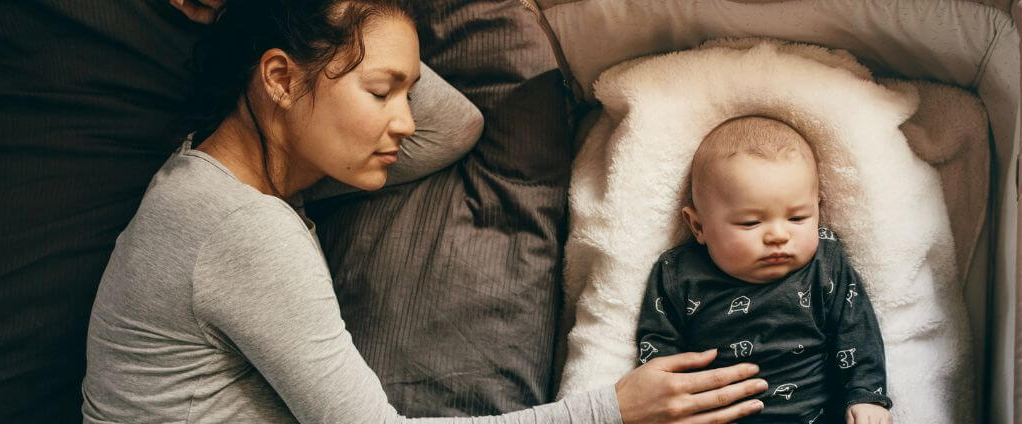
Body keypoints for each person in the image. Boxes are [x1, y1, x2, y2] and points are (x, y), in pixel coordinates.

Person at [81, 1, 768, 422]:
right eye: (383, 92)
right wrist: (610, 410)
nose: (406, 120)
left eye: (406, 91)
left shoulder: (215, 177)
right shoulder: (244, 230)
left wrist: (363, 43)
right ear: (280, 78)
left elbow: (454, 126)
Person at [635, 117, 894, 424]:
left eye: (797, 218)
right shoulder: (679, 275)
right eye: (750, 223)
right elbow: (658, 352)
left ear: (818, 209)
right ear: (698, 225)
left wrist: (867, 396)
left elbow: (856, 331)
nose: (778, 236)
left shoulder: (825, 264)